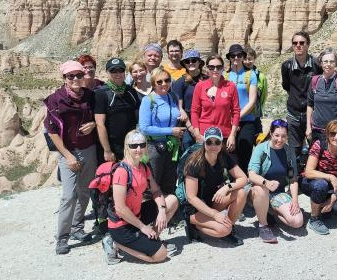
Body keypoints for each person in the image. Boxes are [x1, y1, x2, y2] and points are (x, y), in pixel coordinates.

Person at [44, 61, 97, 255]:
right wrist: (67, 156)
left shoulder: (90, 96)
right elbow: (51, 131)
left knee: (84, 191)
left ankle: (77, 228)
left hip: (89, 149)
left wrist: (93, 124)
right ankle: (63, 237)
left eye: (78, 75)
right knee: (68, 195)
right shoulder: (55, 100)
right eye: (70, 76)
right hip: (69, 153)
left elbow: (99, 117)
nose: (75, 79)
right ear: (64, 79)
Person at [102, 130, 179, 264]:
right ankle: (116, 244)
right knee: (161, 255)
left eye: (142, 145)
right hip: (122, 225)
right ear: (127, 147)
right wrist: (143, 227)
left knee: (171, 201)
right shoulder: (122, 171)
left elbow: (156, 191)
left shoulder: (143, 167)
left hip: (136, 216)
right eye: (134, 146)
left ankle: (153, 239)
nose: (139, 149)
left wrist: (161, 211)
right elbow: (120, 209)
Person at [184, 127, 248, 246]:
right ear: (204, 143)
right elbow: (191, 197)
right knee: (223, 229)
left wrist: (226, 187)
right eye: (209, 142)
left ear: (221, 143)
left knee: (241, 192)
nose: (213, 145)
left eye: (217, 142)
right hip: (195, 209)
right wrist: (215, 214)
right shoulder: (194, 163)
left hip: (213, 200)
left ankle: (229, 229)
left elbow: (243, 178)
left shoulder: (223, 156)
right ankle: (193, 225)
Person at [248, 119, 304, 244]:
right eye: (277, 135)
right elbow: (251, 175)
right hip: (258, 191)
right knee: (260, 189)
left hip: (277, 193)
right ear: (271, 134)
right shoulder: (261, 149)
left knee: (297, 222)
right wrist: (266, 183)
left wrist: (295, 200)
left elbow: (293, 179)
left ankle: (269, 211)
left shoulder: (289, 151)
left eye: (283, 136)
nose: (280, 140)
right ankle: (263, 225)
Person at [299, 120, 337, 235]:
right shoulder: (319, 145)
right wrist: (331, 177)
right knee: (321, 185)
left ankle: (324, 206)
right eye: (333, 133)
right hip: (312, 182)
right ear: (327, 134)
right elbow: (308, 172)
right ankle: (314, 219)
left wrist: (333, 198)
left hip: (332, 188)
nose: (336, 137)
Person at [139, 68, 185, 195]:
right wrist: (171, 131)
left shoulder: (173, 97)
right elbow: (145, 128)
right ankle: (152, 213)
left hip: (172, 146)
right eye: (159, 82)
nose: (164, 84)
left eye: (167, 80)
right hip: (154, 148)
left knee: (169, 183)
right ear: (153, 84)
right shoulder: (148, 100)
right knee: (152, 184)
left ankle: (168, 211)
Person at [281, 31, 322, 158]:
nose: (298, 45)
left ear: (307, 45)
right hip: (293, 115)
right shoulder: (286, 66)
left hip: (314, 115)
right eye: (295, 43)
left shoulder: (316, 65)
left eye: (302, 43)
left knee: (316, 150)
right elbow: (287, 86)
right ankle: (295, 177)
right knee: (294, 152)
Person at [190, 54, 240, 152]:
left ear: (223, 69)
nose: (215, 70)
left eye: (218, 67)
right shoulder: (200, 86)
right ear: (207, 68)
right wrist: (196, 133)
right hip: (204, 135)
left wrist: (232, 135)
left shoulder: (230, 86)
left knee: (224, 165)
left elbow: (236, 111)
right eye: (211, 67)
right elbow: (194, 111)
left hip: (224, 135)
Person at [94, 58, 140, 162]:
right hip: (112, 147)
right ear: (107, 72)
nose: (118, 73)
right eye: (113, 71)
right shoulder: (101, 93)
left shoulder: (130, 91)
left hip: (130, 145)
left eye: (121, 70)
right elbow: (100, 124)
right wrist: (107, 151)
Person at [306, 48, 337, 144]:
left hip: (336, 132)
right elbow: (310, 105)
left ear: (336, 64)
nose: (328, 64)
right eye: (325, 61)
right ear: (321, 63)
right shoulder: (315, 81)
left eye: (331, 61)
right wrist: (308, 127)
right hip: (317, 130)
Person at [224, 44, 258, 173]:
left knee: (245, 150)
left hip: (246, 120)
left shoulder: (251, 75)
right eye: (233, 56)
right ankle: (234, 182)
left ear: (243, 56)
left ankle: (245, 183)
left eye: (239, 55)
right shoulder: (225, 76)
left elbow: (252, 101)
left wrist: (236, 118)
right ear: (230, 58)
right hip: (228, 121)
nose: (236, 58)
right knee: (231, 153)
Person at [172, 49, 208, 151]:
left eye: (193, 60)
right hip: (188, 124)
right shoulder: (181, 82)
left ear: (199, 62)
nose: (191, 63)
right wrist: (191, 128)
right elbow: (179, 108)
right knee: (188, 151)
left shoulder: (207, 80)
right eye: (187, 61)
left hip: (205, 120)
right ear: (184, 64)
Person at [243, 47, 268, 135]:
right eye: (245, 59)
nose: (247, 61)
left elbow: (263, 97)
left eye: (250, 59)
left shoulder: (261, 76)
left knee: (259, 141)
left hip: (255, 115)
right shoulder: (238, 75)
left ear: (254, 59)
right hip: (241, 114)